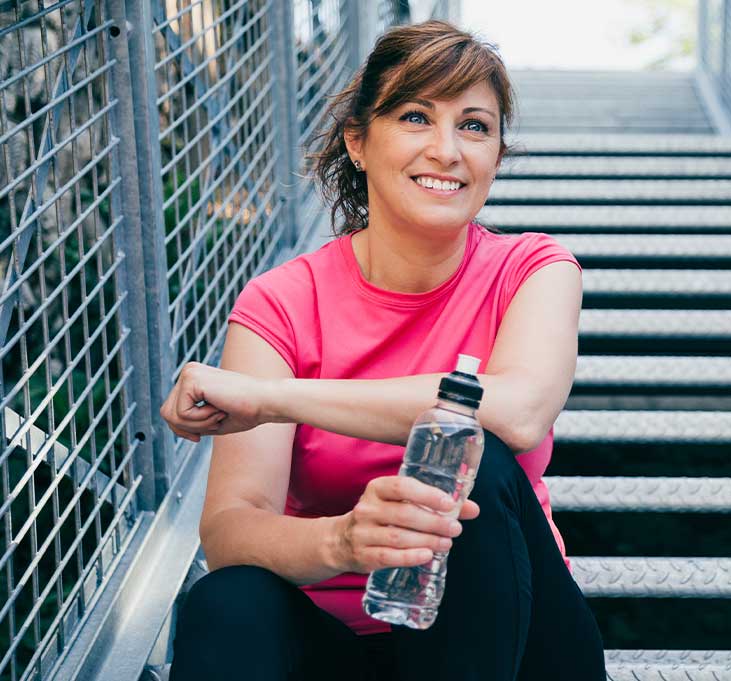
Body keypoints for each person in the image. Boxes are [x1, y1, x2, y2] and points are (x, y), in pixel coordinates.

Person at [160, 20, 606, 681]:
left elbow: (515, 411)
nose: (446, 149)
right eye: (415, 116)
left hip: (516, 641)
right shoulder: (283, 300)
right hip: (340, 637)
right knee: (225, 599)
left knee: (470, 456)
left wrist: (272, 397)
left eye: (474, 126)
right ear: (358, 141)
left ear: (496, 155)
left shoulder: (534, 268)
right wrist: (339, 540)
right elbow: (229, 531)